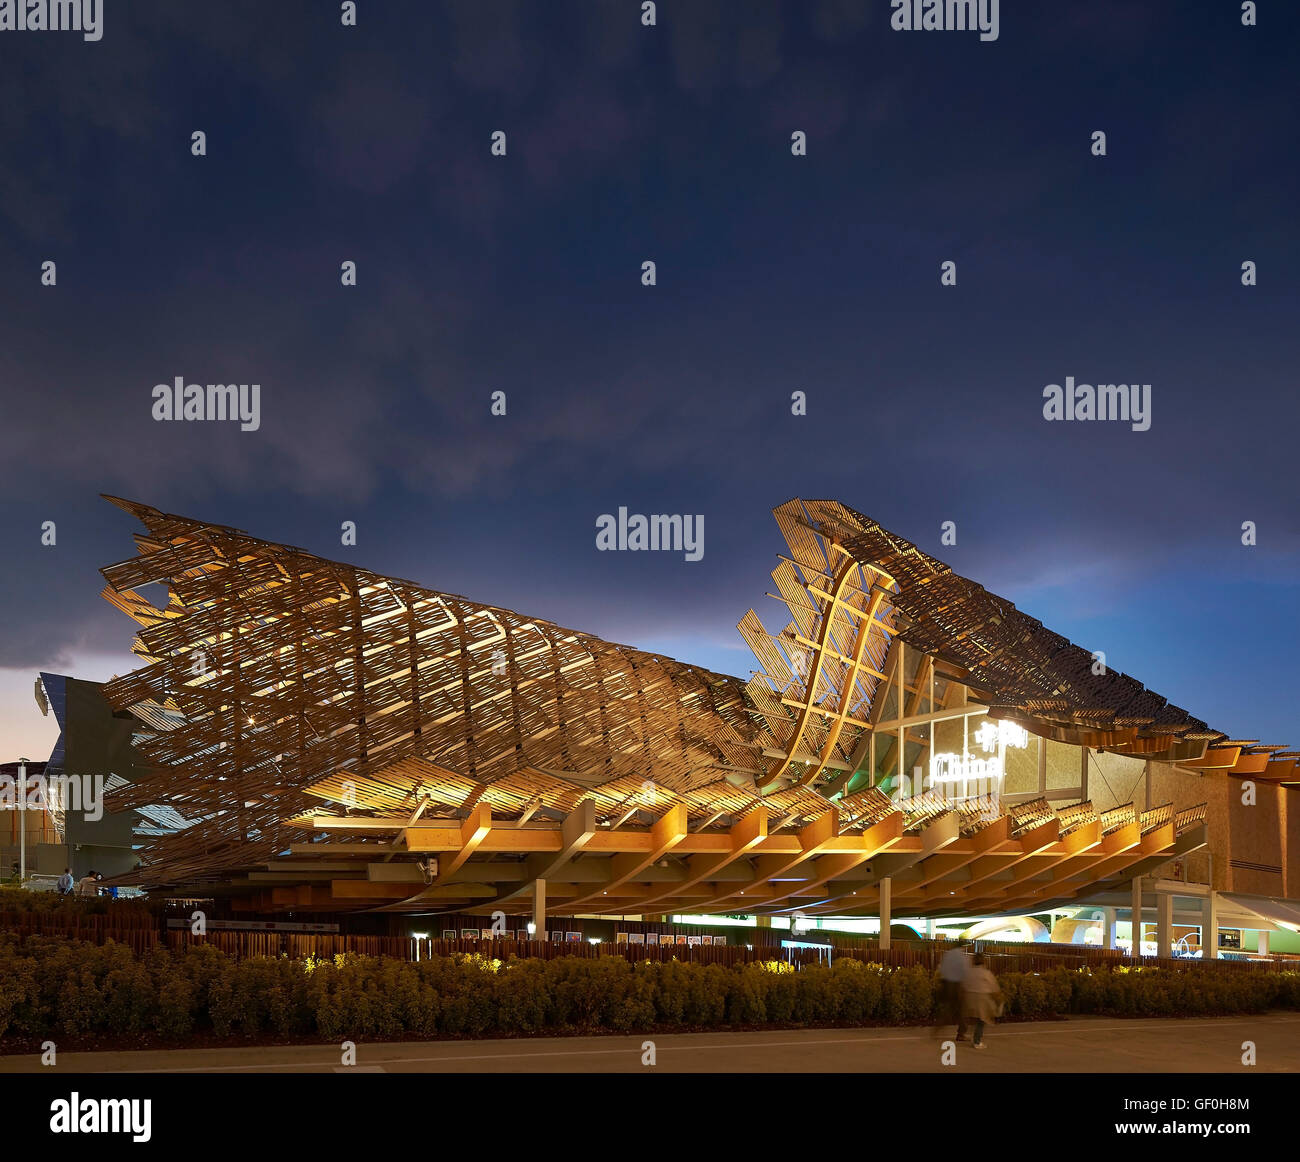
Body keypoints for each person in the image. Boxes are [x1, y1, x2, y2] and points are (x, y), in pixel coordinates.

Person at [961, 952, 1005, 1049]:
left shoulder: (969, 972)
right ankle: (977, 1041)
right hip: (981, 998)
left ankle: (967, 1034)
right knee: (982, 1019)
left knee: (975, 1018)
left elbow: (964, 985)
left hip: (969, 998)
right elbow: (994, 987)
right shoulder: (986, 973)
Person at [935, 940, 969, 1040]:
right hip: (956, 985)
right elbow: (965, 971)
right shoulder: (962, 956)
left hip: (946, 983)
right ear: (962, 947)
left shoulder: (947, 954)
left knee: (948, 1009)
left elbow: (941, 969)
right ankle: (961, 1034)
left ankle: (937, 1029)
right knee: (962, 1010)